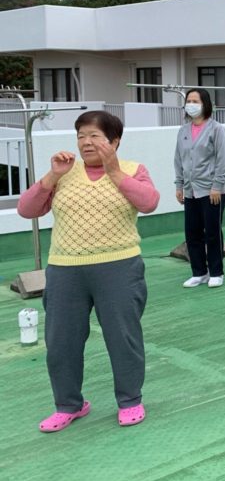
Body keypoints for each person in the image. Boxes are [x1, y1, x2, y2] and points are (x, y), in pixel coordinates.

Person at [18, 111, 159, 432]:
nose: (86, 142)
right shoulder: (65, 173)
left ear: (114, 141)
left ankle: (130, 400)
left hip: (119, 267)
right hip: (65, 270)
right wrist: (52, 176)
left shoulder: (132, 170)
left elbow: (149, 202)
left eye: (95, 136)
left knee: (123, 337)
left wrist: (114, 172)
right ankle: (69, 405)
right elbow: (27, 209)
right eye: (81, 136)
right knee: (61, 341)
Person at [173, 87, 225, 288]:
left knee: (212, 232)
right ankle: (199, 272)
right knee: (192, 233)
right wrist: (179, 185)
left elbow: (223, 159)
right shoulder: (183, 130)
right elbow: (178, 159)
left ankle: (216, 272)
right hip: (190, 191)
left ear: (205, 104)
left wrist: (217, 186)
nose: (191, 105)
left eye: (195, 101)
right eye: (189, 101)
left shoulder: (216, 129)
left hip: (211, 190)